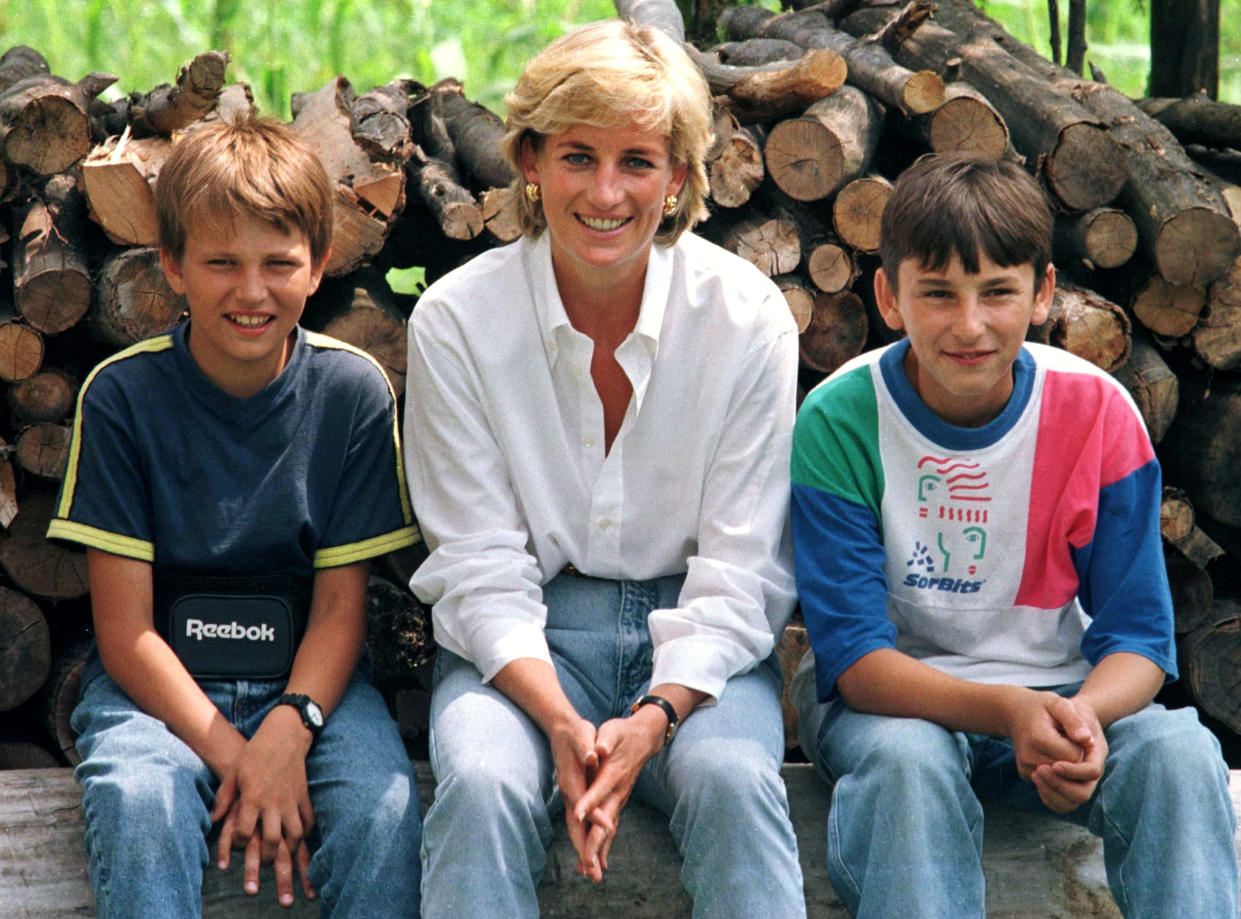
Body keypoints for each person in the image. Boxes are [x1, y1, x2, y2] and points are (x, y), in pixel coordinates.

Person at [404, 17, 805, 918]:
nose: (606, 192)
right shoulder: (458, 321)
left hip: (699, 641)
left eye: (638, 161)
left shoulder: (746, 321)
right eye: (578, 156)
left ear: (678, 178)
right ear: (530, 161)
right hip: (525, 637)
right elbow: (475, 562)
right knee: (476, 782)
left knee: (738, 784)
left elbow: (744, 566)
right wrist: (555, 718)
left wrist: (656, 716)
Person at [789, 153, 1238, 918]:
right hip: (894, 705)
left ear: (1043, 293)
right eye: (937, 294)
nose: (969, 325)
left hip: (1058, 696)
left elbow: (1139, 637)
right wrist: (1008, 713)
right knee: (906, 763)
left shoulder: (1097, 412)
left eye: (997, 291)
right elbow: (857, 661)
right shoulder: (839, 418)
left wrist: (1081, 720)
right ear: (888, 297)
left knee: (1178, 752)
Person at [47, 116, 423, 918]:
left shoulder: (351, 393)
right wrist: (240, 757)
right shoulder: (121, 398)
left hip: (309, 684)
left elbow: (337, 607)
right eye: (221, 263)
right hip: (158, 690)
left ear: (319, 266)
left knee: (382, 810)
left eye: (278, 264)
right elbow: (127, 635)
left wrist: (291, 727)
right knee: (140, 801)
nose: (251, 291)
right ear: (173, 267)